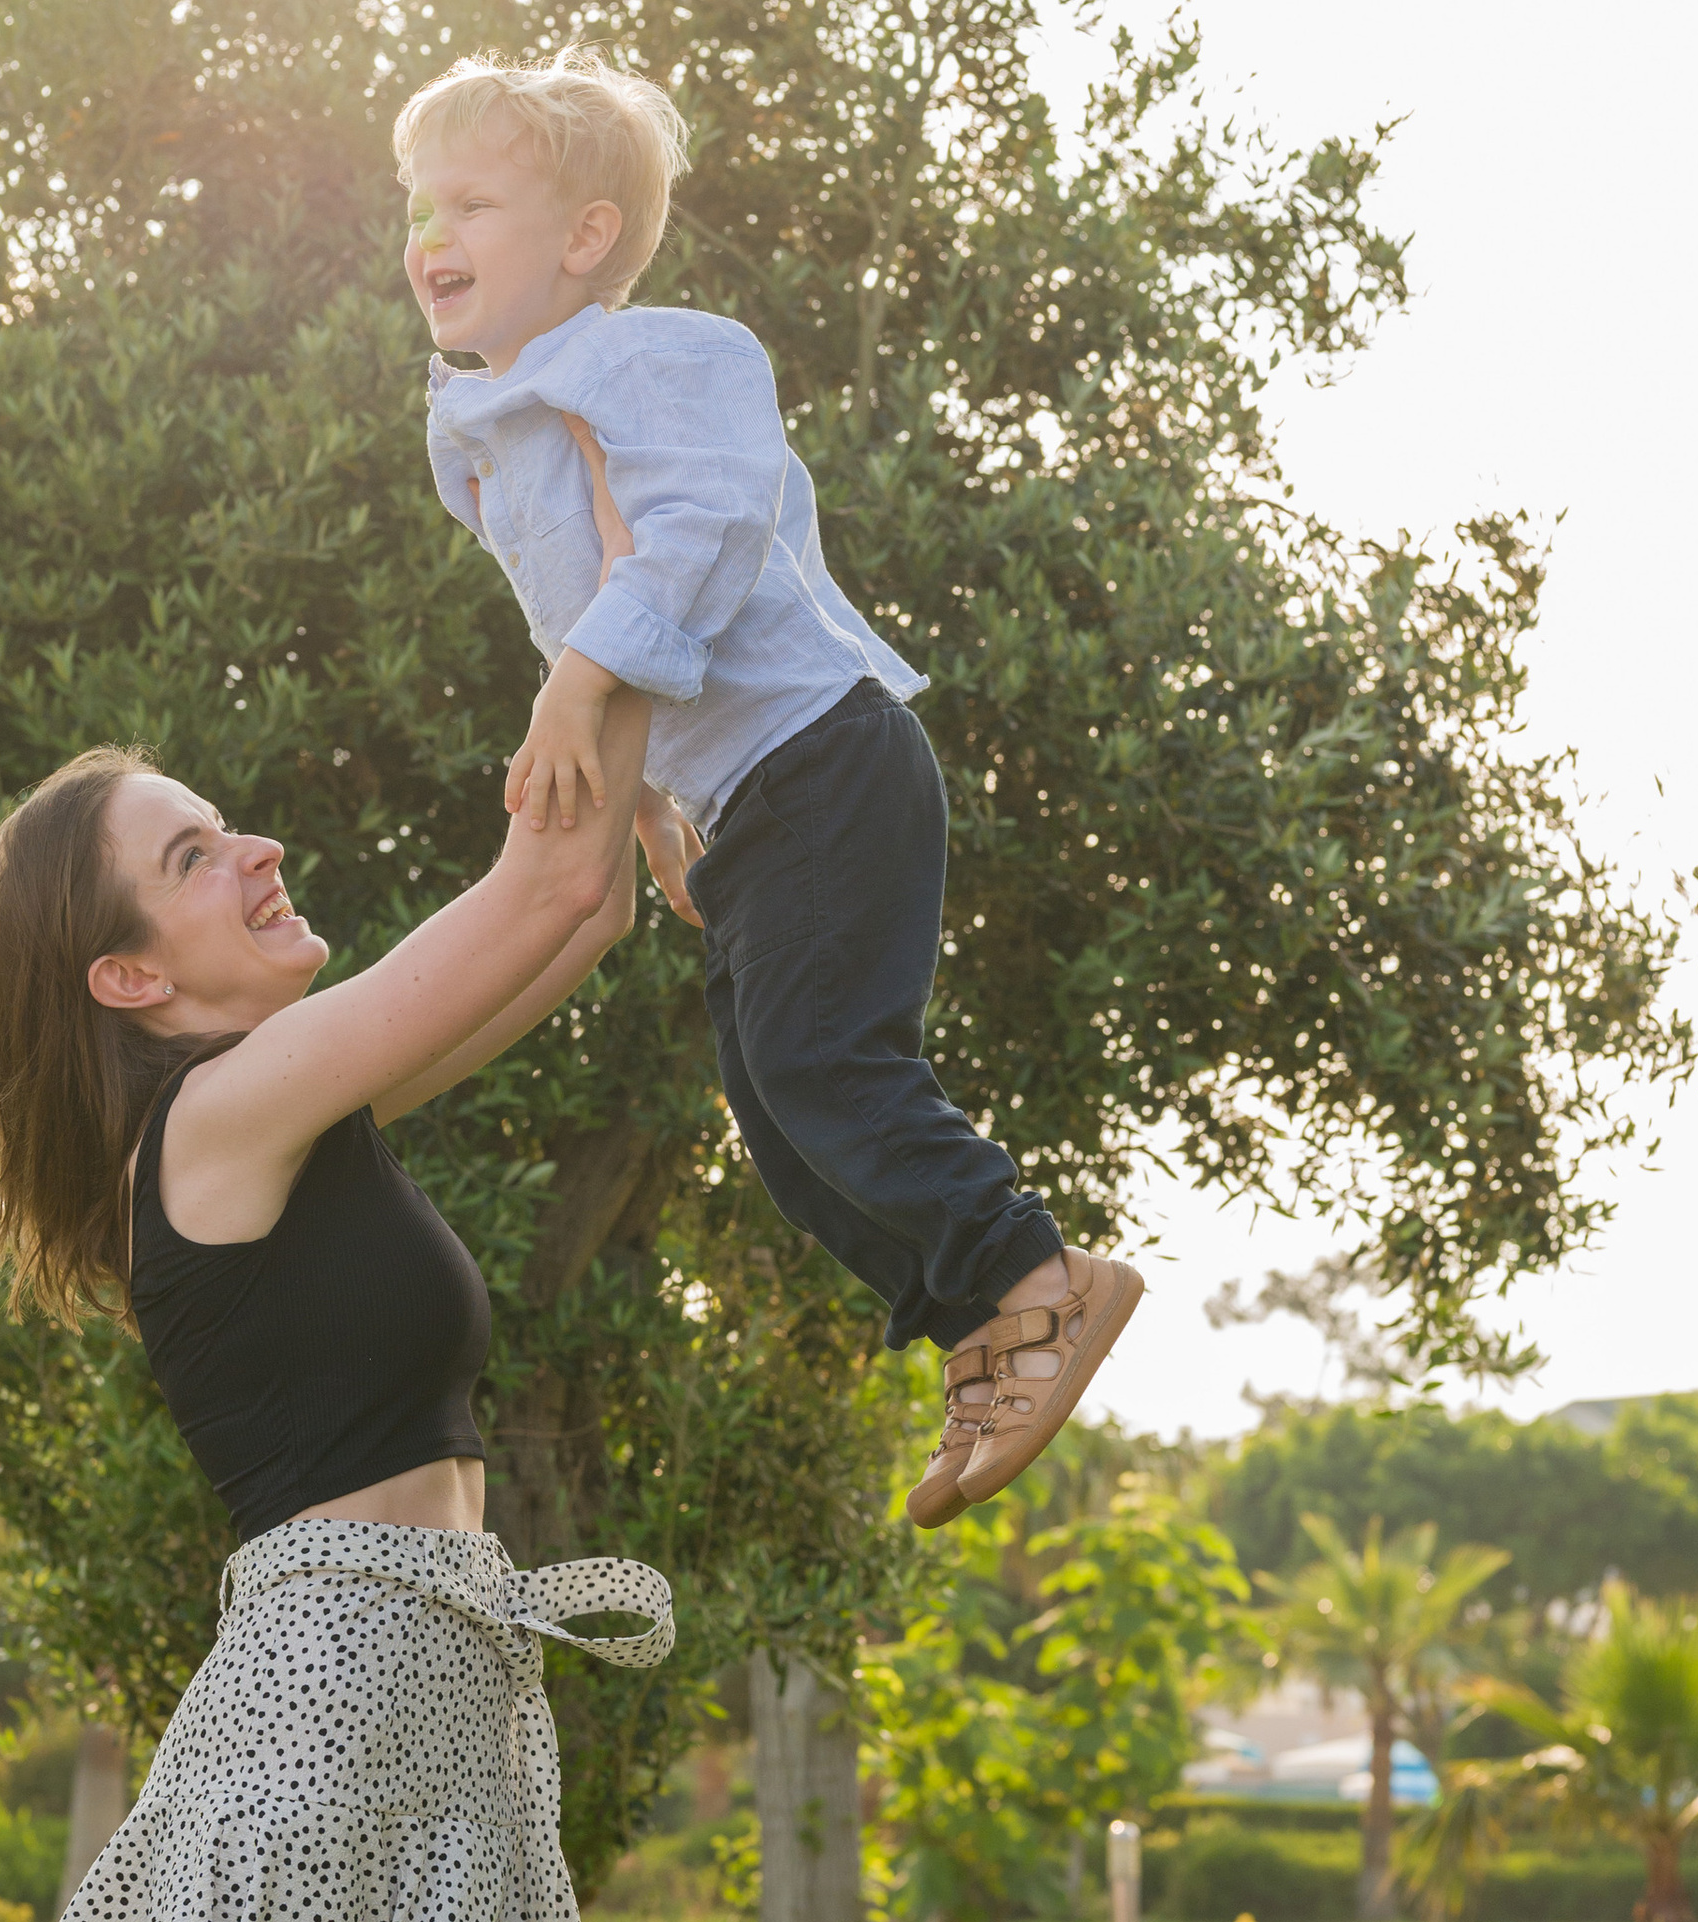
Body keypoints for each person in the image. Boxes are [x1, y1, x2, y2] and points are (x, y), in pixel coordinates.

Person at [0, 653, 670, 1922]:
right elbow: (528, 889)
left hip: (451, 1712)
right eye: (198, 857)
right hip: (317, 1717)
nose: (255, 849)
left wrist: (646, 705)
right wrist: (614, 628)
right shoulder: (212, 1127)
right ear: (132, 980)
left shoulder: (298, 1107)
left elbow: (572, 911)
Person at [397, 47, 1144, 1532]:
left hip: (826, 756)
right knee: (788, 1134)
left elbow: (705, 524)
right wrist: (645, 794)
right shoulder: (478, 427)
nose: (430, 236)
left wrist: (576, 692)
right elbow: (579, 613)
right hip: (741, 799)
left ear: (586, 238)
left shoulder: (670, 358)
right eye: (418, 205)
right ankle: (995, 1330)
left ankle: (1033, 1274)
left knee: (822, 1065)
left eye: (472, 203)